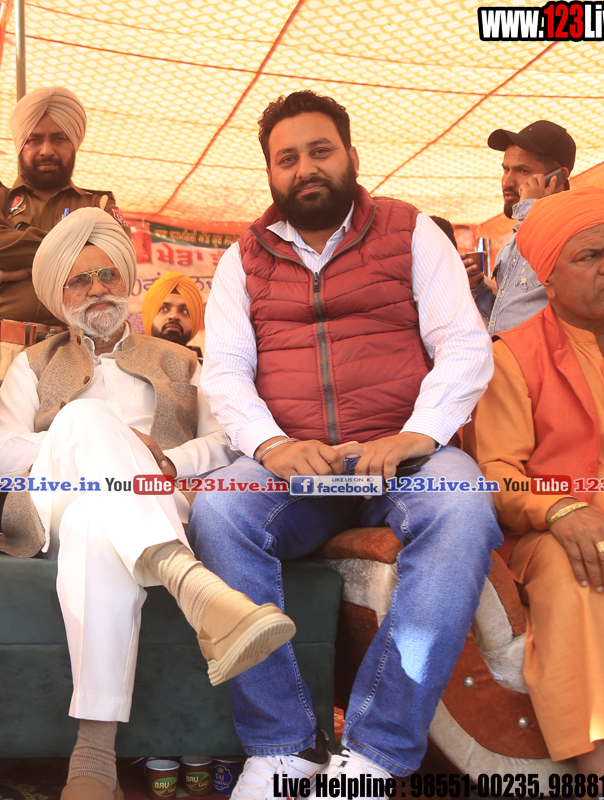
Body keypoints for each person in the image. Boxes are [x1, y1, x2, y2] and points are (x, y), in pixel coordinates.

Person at [188, 90, 501, 796]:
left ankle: (375, 754)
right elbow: (226, 372)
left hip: (405, 458)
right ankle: (282, 748)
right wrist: (271, 446)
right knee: (219, 510)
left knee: (462, 503)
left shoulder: (411, 231)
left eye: (320, 151)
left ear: (351, 156)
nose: (305, 169)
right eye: (287, 158)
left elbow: (463, 344)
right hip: (294, 469)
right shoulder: (243, 260)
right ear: (271, 173)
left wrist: (418, 433)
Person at [0, 208, 295, 800]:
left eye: (108, 275)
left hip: (154, 497)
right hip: (55, 496)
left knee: (96, 523)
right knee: (85, 419)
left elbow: (228, 442)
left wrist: (169, 461)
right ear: (59, 296)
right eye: (80, 280)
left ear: (126, 282)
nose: (97, 288)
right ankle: (191, 583)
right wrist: (86, 439)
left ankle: (94, 758)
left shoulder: (182, 361)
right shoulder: (33, 363)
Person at [463, 186, 604, 782]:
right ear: (548, 279)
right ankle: (602, 771)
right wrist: (561, 511)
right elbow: (496, 475)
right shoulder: (511, 356)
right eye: (590, 256)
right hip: (560, 536)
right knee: (576, 573)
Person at [0, 86, 126, 379]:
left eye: (59, 138)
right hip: (0, 353)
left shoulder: (98, 203)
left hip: (75, 352)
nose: (47, 150)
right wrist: (77, 248)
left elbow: (115, 261)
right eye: (34, 139)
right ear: (21, 145)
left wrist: (23, 269)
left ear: (74, 143)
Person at [470, 120, 576, 334]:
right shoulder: (512, 243)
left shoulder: (575, 232)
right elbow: (507, 321)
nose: (507, 182)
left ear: (558, 177)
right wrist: (478, 288)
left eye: (523, 171)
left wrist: (530, 210)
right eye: (506, 169)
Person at [141, 271, 204, 359]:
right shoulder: (127, 364)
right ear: (149, 314)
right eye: (164, 309)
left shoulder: (207, 367)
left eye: (184, 311)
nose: (174, 316)